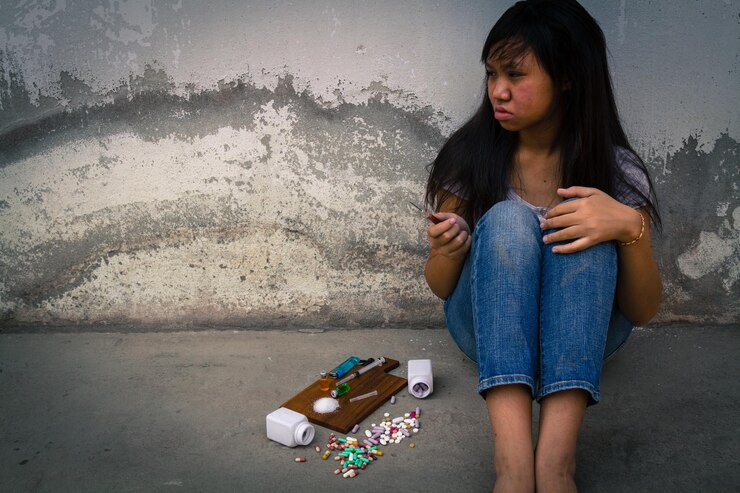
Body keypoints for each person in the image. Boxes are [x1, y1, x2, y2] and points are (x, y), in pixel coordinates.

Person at [422, 1, 662, 492]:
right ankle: (511, 464)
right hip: (487, 332)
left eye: (515, 74)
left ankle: (556, 465)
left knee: (585, 227)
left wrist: (628, 227)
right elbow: (441, 285)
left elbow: (640, 311)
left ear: (568, 79)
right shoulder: (473, 156)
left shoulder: (613, 168)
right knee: (508, 220)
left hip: (584, 338)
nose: (497, 91)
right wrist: (448, 250)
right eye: (491, 73)